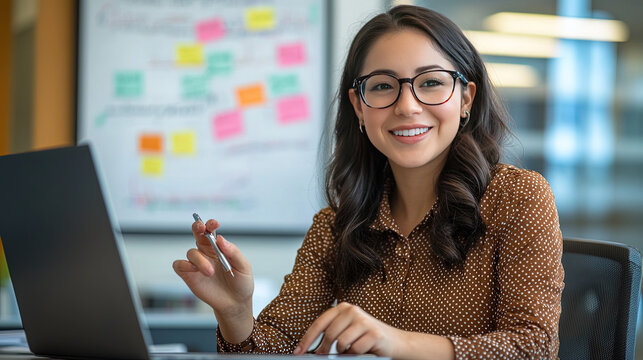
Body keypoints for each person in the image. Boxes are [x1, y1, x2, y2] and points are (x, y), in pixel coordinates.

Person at [172, 5, 564, 360]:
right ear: (359, 107)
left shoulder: (518, 197)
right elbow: (281, 349)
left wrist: (393, 341)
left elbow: (533, 346)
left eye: (430, 82)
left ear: (466, 98)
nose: (407, 106)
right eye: (381, 86)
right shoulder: (337, 223)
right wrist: (236, 312)